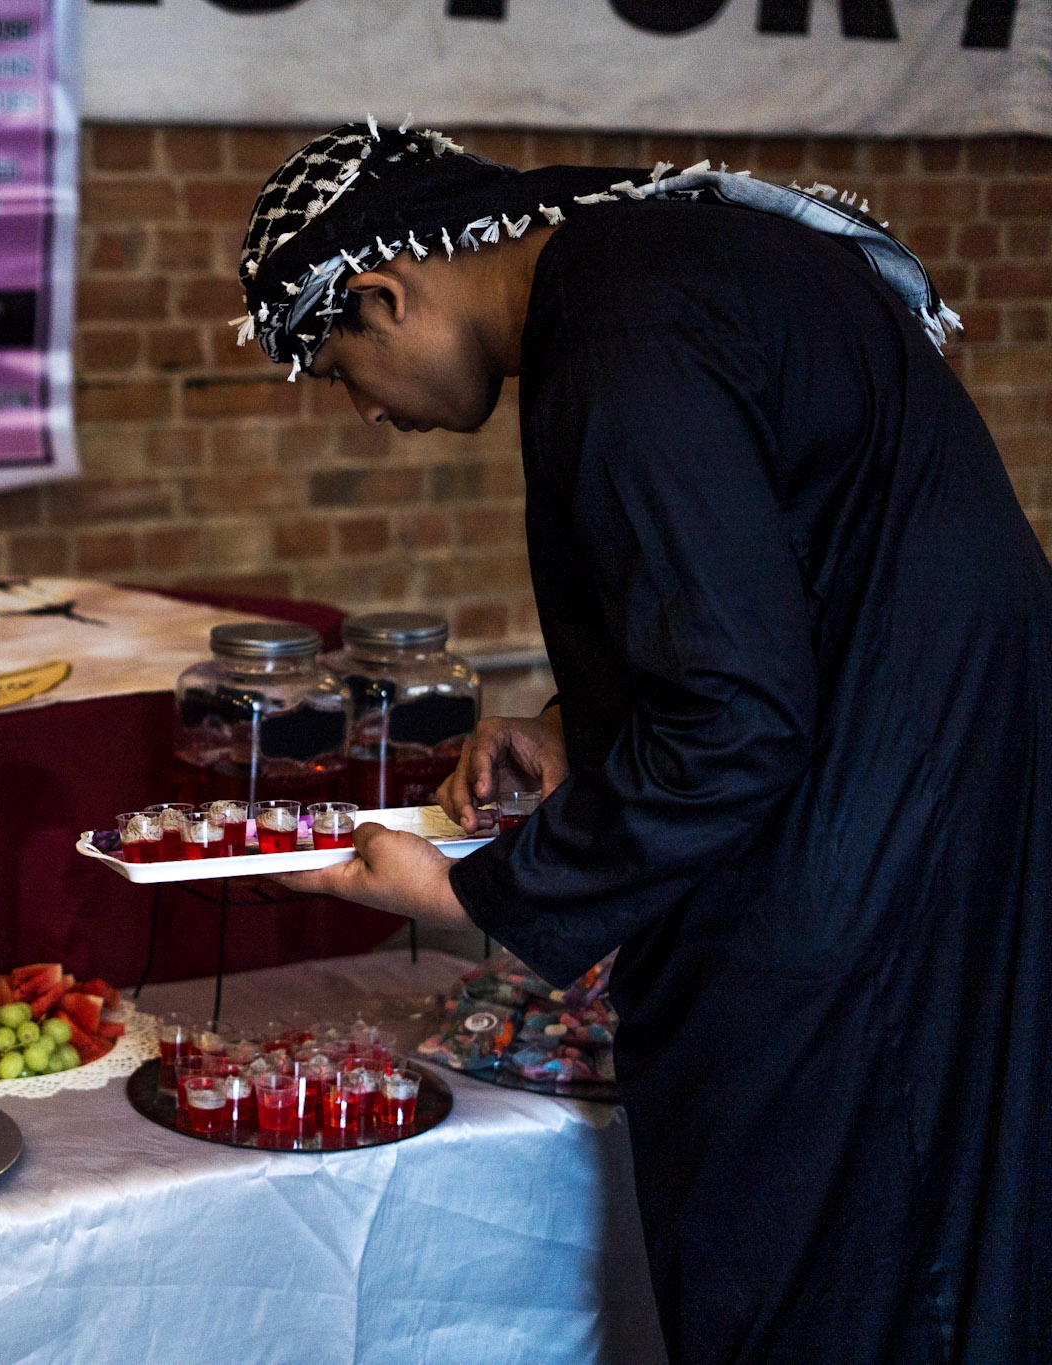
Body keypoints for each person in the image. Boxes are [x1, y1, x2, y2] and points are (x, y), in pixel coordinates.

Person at [251, 121, 1051, 1363]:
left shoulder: (624, 333)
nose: (363, 413)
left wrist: (481, 888)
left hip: (865, 868)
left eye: (341, 369)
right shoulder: (652, 273)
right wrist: (580, 726)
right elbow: (778, 589)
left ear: (382, 293)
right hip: (920, 794)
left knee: (831, 1275)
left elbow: (735, 720)